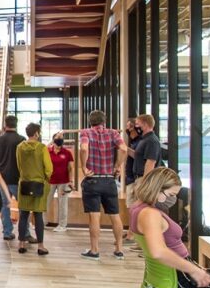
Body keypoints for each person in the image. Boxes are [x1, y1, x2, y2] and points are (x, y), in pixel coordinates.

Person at [79, 110, 126, 260]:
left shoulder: (86, 132)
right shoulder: (113, 133)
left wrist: (83, 167)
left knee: (94, 216)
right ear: (104, 121)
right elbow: (123, 149)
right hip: (109, 180)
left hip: (93, 180)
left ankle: (94, 250)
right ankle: (119, 249)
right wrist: (118, 166)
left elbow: (84, 148)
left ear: (90, 121)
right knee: (115, 215)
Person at [15, 123, 52, 255]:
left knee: (23, 215)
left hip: (24, 184)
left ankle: (21, 243)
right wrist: (45, 178)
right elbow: (48, 168)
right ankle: (40, 246)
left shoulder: (20, 147)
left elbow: (19, 165)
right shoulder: (42, 147)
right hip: (39, 185)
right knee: (38, 215)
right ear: (36, 133)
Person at [0, 115, 26, 240]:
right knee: (23, 207)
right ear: (16, 125)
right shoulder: (22, 139)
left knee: (5, 206)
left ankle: (7, 231)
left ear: (5, 125)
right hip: (19, 179)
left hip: (3, 179)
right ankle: (25, 232)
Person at [48, 131, 74, 233]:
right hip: (50, 181)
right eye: (58, 137)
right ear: (53, 139)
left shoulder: (67, 153)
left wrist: (71, 181)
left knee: (63, 203)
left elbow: (71, 168)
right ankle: (42, 222)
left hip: (63, 181)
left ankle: (62, 225)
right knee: (45, 202)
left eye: (62, 137)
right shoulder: (47, 151)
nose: (60, 139)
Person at [132, 114, 162, 180]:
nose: (135, 127)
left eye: (137, 124)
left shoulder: (151, 141)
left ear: (145, 124)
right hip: (139, 177)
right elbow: (139, 155)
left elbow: (150, 162)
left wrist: (145, 182)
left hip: (145, 179)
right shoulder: (144, 139)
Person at [123, 118, 141, 186]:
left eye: (129, 127)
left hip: (134, 178)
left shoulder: (140, 142)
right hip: (130, 177)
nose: (127, 129)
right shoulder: (133, 142)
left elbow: (137, 156)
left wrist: (124, 147)